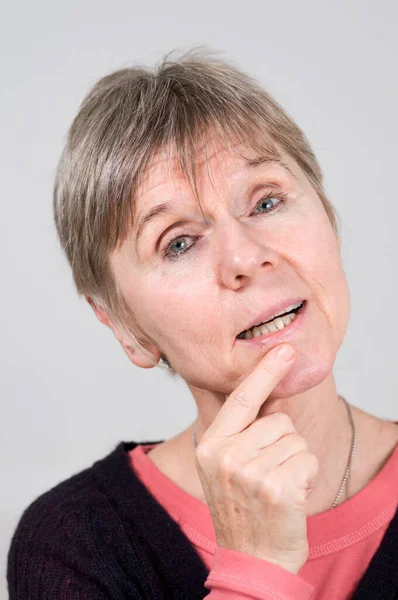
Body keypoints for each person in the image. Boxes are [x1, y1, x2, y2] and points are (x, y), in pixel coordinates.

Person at [7, 47, 398, 599]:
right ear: (125, 327)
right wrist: (254, 570)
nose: (245, 258)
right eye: (180, 243)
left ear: (328, 220)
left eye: (265, 203)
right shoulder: (72, 543)